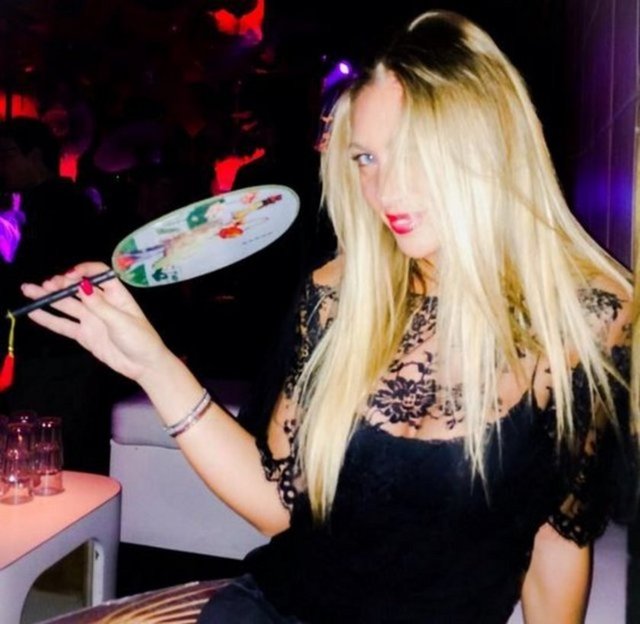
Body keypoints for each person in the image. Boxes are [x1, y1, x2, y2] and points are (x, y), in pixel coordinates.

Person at [20, 10, 637, 624]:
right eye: (366, 158)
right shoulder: (338, 294)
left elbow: (559, 536)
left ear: (488, 145)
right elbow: (280, 505)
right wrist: (149, 361)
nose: (385, 190)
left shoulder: (588, 317)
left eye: (412, 152)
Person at [0, 116, 115, 473]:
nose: (2, 164)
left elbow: (29, 279)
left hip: (59, 351)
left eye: (8, 154)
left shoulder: (55, 205)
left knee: (49, 446)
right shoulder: (44, 202)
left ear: (35, 155)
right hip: (56, 349)